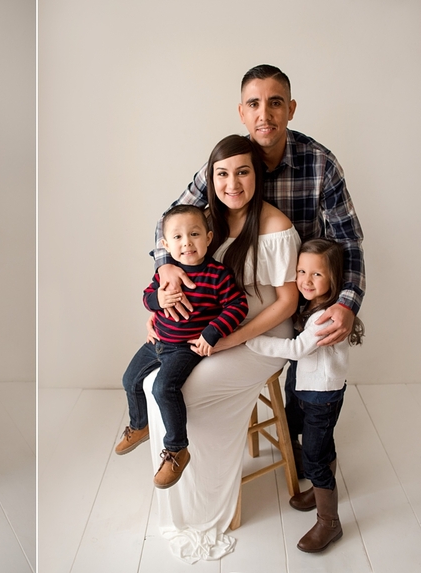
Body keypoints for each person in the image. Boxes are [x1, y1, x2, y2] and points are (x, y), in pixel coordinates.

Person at [151, 64, 365, 476]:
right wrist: (166, 272)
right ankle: (191, 452)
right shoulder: (229, 162)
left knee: (309, 392)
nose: (264, 114)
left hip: (306, 297)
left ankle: (314, 457)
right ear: (242, 112)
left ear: (291, 109)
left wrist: (347, 303)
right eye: (254, 104)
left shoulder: (320, 164)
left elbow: (349, 242)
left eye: (275, 103)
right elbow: (170, 220)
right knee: (171, 375)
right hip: (229, 303)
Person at [142, 134, 300, 563]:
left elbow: (287, 302)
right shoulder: (203, 222)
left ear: (258, 175)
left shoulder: (275, 226)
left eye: (243, 172)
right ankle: (179, 483)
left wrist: (228, 338)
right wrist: (163, 298)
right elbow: (169, 247)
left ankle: (212, 503)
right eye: (222, 173)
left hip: (263, 334)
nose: (233, 183)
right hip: (210, 328)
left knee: (181, 391)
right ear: (209, 178)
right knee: (153, 382)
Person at [117, 205, 248, 490]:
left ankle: (177, 449)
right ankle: (140, 425)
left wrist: (212, 333)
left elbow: (238, 305)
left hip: (185, 348)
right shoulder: (166, 273)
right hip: (157, 342)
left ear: (209, 237)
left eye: (194, 234)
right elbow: (147, 295)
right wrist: (157, 301)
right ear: (165, 245)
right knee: (129, 379)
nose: (186, 242)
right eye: (177, 237)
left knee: (163, 388)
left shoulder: (217, 275)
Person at [247, 239, 364, 553]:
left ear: (333, 279)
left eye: (316, 275)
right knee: (313, 438)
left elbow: (296, 349)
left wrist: (253, 340)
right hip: (306, 387)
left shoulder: (325, 316)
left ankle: (329, 521)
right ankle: (319, 482)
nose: (306, 280)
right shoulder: (310, 305)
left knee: (314, 457)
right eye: (301, 271)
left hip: (321, 395)